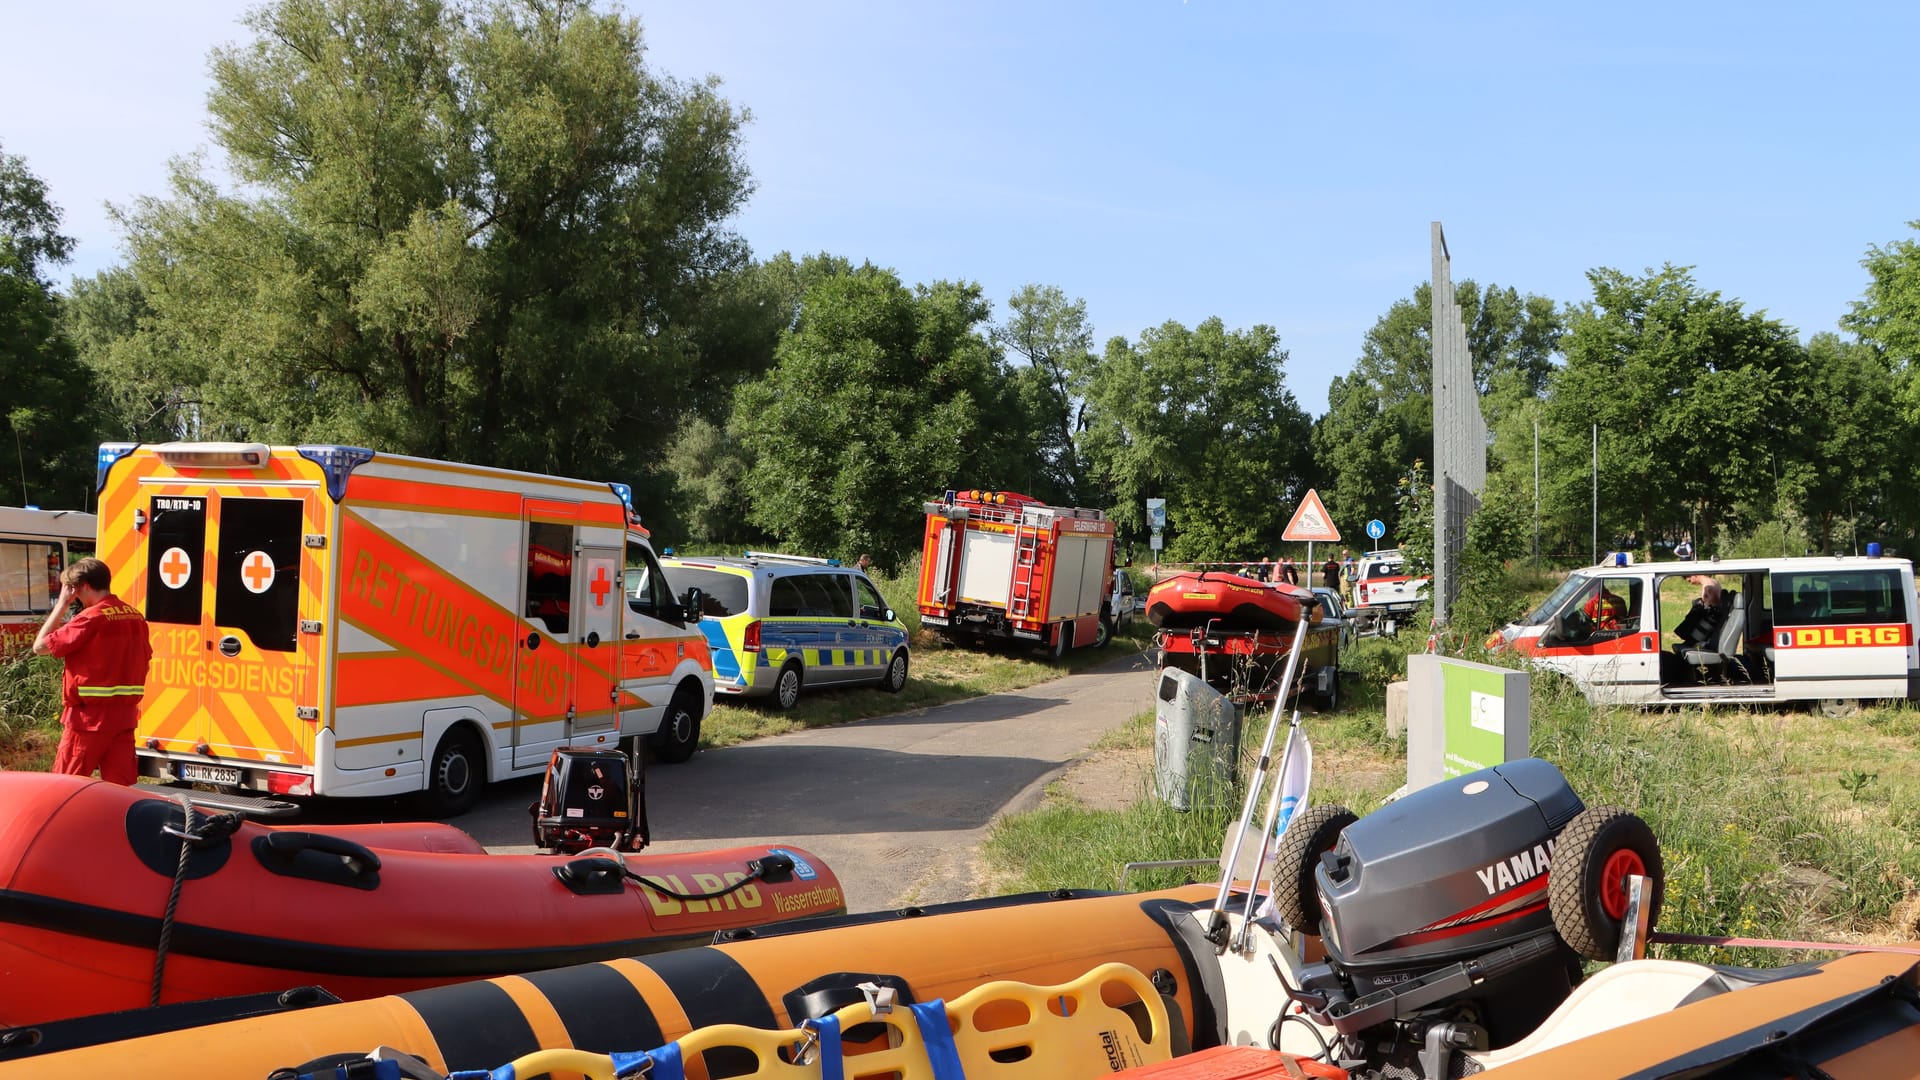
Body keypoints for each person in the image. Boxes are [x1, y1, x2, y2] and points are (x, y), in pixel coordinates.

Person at [31, 558, 152, 785]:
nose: (75, 597)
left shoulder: (89, 618)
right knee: (122, 793)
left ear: (83, 586)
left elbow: (39, 647)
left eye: (74, 591)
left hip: (88, 721)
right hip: (124, 718)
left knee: (64, 789)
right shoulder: (135, 617)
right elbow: (145, 660)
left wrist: (61, 605)